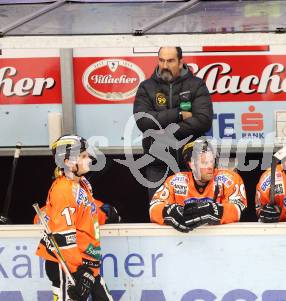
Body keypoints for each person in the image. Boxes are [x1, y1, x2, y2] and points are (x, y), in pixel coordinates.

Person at [35, 135, 117, 301]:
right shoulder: (63, 190)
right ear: (67, 162)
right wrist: (79, 271)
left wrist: (105, 214)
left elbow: (87, 215)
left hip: (87, 264)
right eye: (83, 156)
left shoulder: (82, 184)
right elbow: (63, 236)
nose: (90, 159)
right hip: (68, 266)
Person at [133, 46, 213, 209]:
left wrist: (163, 130)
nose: (164, 65)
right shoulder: (146, 87)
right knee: (159, 216)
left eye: (170, 61)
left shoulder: (196, 85)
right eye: (161, 60)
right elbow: (143, 122)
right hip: (158, 165)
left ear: (180, 61)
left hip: (191, 166)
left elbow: (203, 121)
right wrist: (179, 114)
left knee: (196, 216)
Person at [149, 138, 247, 232]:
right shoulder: (175, 181)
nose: (209, 167)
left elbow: (237, 209)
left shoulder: (229, 178)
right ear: (191, 164)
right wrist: (170, 213)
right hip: (185, 239)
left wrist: (211, 211)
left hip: (222, 239)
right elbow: (154, 207)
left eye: (211, 161)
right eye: (204, 162)